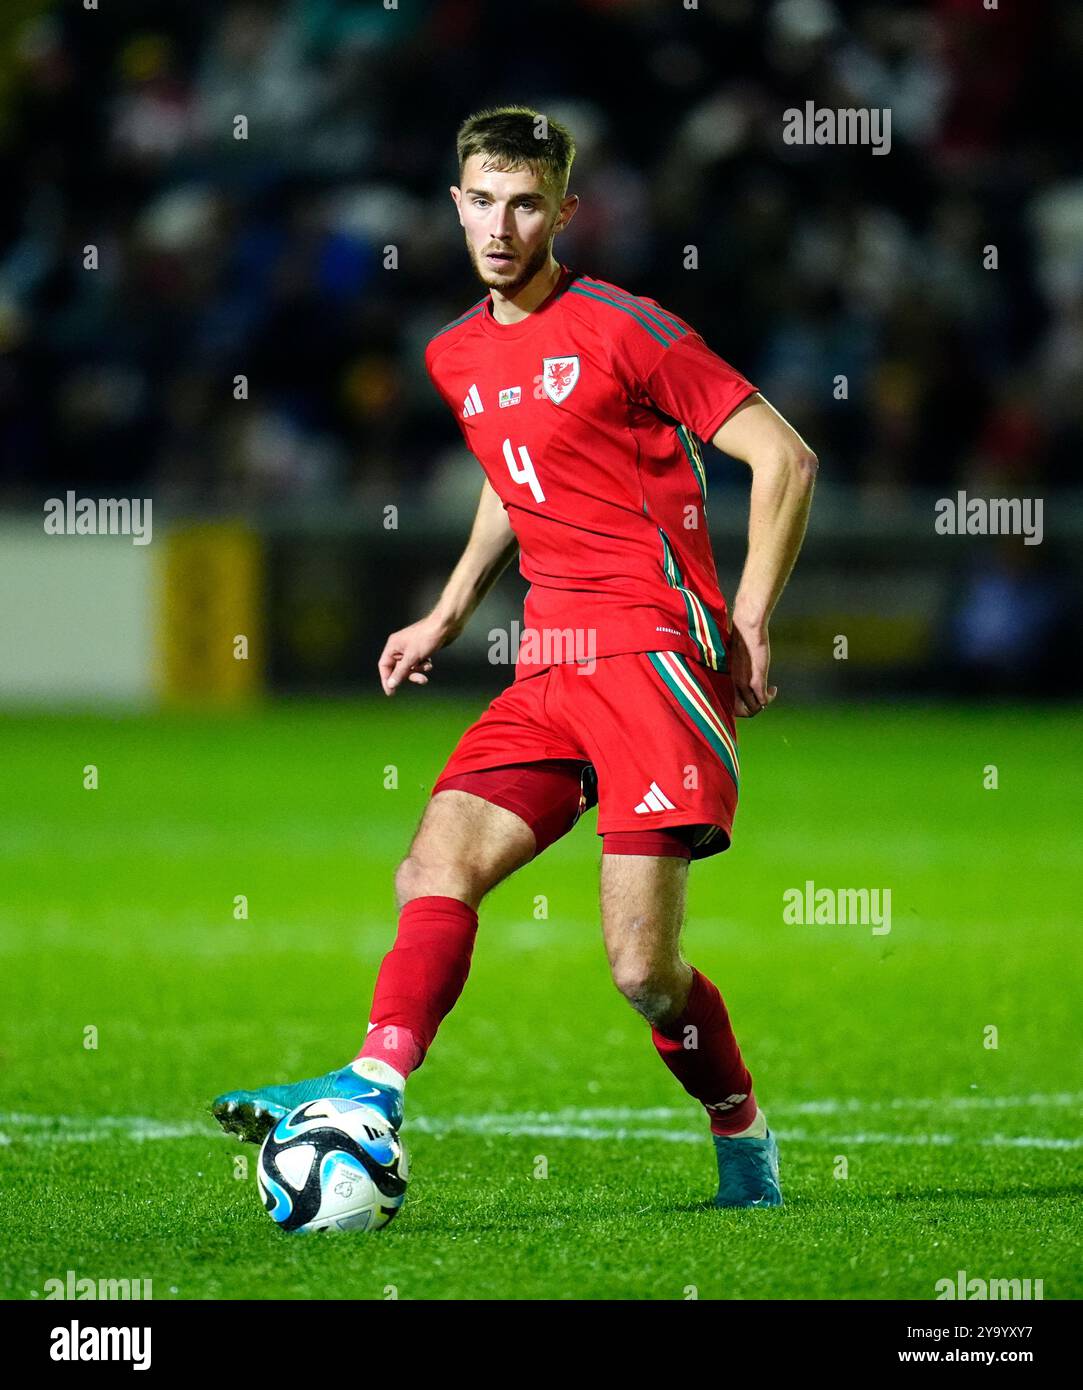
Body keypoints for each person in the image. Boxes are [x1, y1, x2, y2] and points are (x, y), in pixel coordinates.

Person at [213, 105, 817, 1210]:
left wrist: (754, 613)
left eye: (528, 201)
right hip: (548, 661)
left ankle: (742, 1135)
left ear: (565, 210)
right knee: (434, 862)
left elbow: (784, 456)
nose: (503, 224)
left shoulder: (629, 328)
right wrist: (447, 609)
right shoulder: (454, 352)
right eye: (484, 200)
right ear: (455, 203)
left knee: (644, 971)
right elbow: (516, 469)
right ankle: (374, 1085)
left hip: (650, 658)